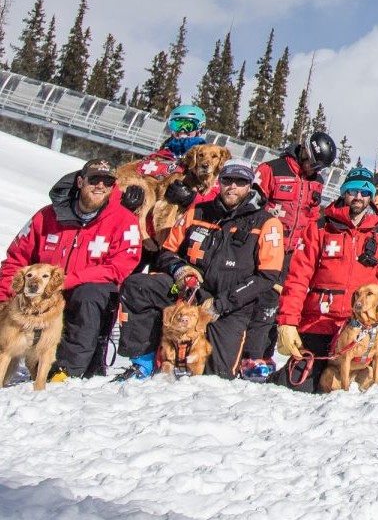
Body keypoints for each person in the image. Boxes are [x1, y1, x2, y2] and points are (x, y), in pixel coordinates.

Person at [116, 160, 286, 380]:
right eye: (227, 180)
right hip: (187, 292)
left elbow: (267, 276)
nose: (232, 186)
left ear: (250, 186)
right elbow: (166, 252)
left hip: (231, 304)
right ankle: (143, 361)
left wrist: (221, 304)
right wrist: (179, 269)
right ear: (219, 181)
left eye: (240, 181)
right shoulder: (197, 212)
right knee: (138, 286)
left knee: (219, 374)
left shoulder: (267, 223)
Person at [0, 158, 142, 381]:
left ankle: (65, 371)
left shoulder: (124, 221)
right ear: (80, 181)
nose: (100, 186)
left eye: (107, 182)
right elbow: (17, 258)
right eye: (94, 179)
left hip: (83, 296)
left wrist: (70, 280)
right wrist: (4, 296)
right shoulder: (47, 216)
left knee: (89, 294)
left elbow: (121, 266)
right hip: (38, 298)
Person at [274, 167, 378, 391]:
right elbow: (297, 278)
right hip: (320, 321)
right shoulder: (321, 228)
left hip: (363, 327)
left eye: (364, 193)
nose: (358, 197)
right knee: (298, 385)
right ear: (344, 192)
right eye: (353, 191)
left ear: (371, 196)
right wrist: (288, 322)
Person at [254, 130, 337, 262]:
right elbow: (252, 205)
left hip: (293, 253)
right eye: (314, 164)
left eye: (320, 168)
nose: (315, 170)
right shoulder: (272, 169)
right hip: (265, 245)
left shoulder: (317, 181)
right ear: (305, 152)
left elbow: (313, 215)